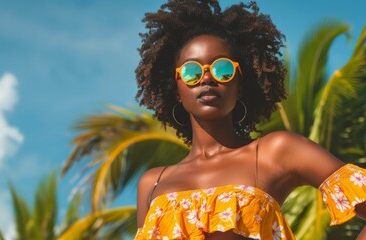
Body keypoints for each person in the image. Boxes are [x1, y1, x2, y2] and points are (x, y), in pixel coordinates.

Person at [134, 1, 366, 239]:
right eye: (191, 72)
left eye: (222, 69)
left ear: (240, 85)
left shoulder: (276, 152)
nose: (206, 79)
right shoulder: (153, 182)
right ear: (176, 90)